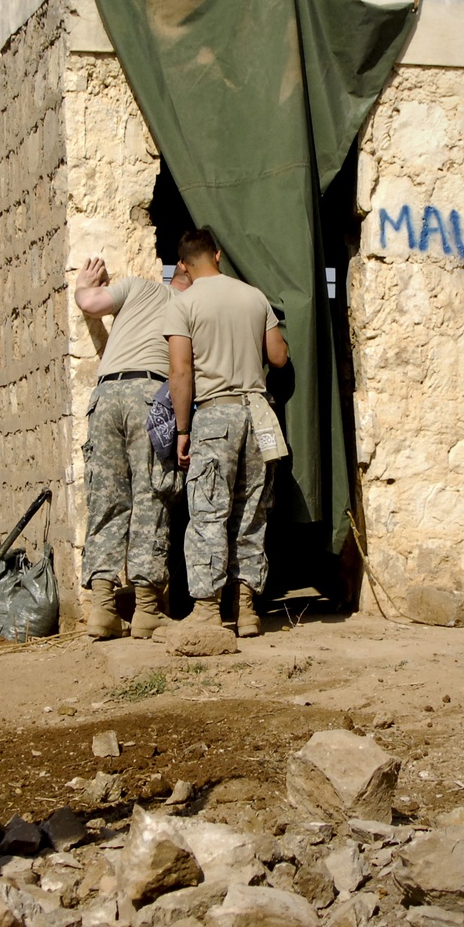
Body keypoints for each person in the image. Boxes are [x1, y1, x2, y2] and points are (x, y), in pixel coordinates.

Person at [165, 227, 289, 637]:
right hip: (258, 416)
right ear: (217, 255)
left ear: (183, 263)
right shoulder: (254, 296)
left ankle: (206, 610)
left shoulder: (183, 303)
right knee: (251, 513)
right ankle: (247, 610)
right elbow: (278, 356)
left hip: (215, 417)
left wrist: (183, 429)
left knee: (207, 514)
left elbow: (181, 371)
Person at [74, 254, 192, 639]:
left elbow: (90, 304)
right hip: (149, 395)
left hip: (105, 395)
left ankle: (103, 610)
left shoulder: (136, 286)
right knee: (151, 495)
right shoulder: (189, 308)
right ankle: (145, 610)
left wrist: (82, 284)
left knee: (106, 497)